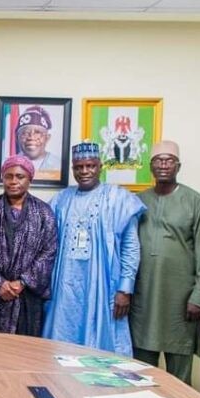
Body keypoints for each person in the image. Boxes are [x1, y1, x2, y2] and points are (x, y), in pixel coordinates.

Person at [42, 141, 145, 356]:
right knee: (62, 342)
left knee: (103, 346)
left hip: (104, 284)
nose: (84, 171)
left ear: (100, 166)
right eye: (79, 167)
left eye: (90, 166)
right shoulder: (61, 200)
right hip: (65, 288)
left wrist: (125, 289)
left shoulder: (119, 198)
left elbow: (131, 247)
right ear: (73, 169)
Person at [129, 141, 200, 385]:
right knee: (141, 369)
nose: (163, 165)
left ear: (178, 166)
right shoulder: (138, 201)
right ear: (150, 166)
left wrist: (199, 295)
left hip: (181, 298)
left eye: (169, 160)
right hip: (144, 296)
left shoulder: (195, 201)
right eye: (158, 160)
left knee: (179, 370)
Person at [0, 154, 57, 335]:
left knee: (24, 354)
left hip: (27, 297)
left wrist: (23, 282)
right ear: (2, 178)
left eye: (20, 176)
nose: (13, 181)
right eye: (8, 176)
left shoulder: (43, 212)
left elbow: (48, 252)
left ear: (29, 179)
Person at [15, 105, 62, 181]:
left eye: (37, 132)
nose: (31, 137)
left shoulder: (60, 165)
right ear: (17, 137)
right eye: (25, 132)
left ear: (47, 138)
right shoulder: (6, 164)